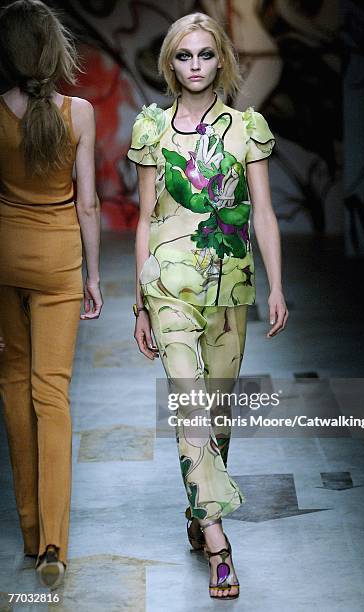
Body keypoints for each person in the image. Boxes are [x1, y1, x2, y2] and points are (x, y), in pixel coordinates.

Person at [128, 12, 288, 600]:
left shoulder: (248, 128)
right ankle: (219, 541)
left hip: (231, 286)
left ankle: (199, 508)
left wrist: (277, 285)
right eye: (183, 56)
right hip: (168, 284)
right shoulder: (152, 131)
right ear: (170, 64)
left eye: (204, 54)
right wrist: (140, 302)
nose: (194, 65)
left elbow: (264, 212)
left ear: (222, 59)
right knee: (190, 407)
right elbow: (144, 221)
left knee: (216, 416)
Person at [0, 0, 103, 589]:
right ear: (52, 49)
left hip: (5, 260)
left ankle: (28, 531)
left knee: (14, 386)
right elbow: (86, 202)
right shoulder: (81, 113)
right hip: (59, 260)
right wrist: (93, 275)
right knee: (52, 395)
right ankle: (54, 544)